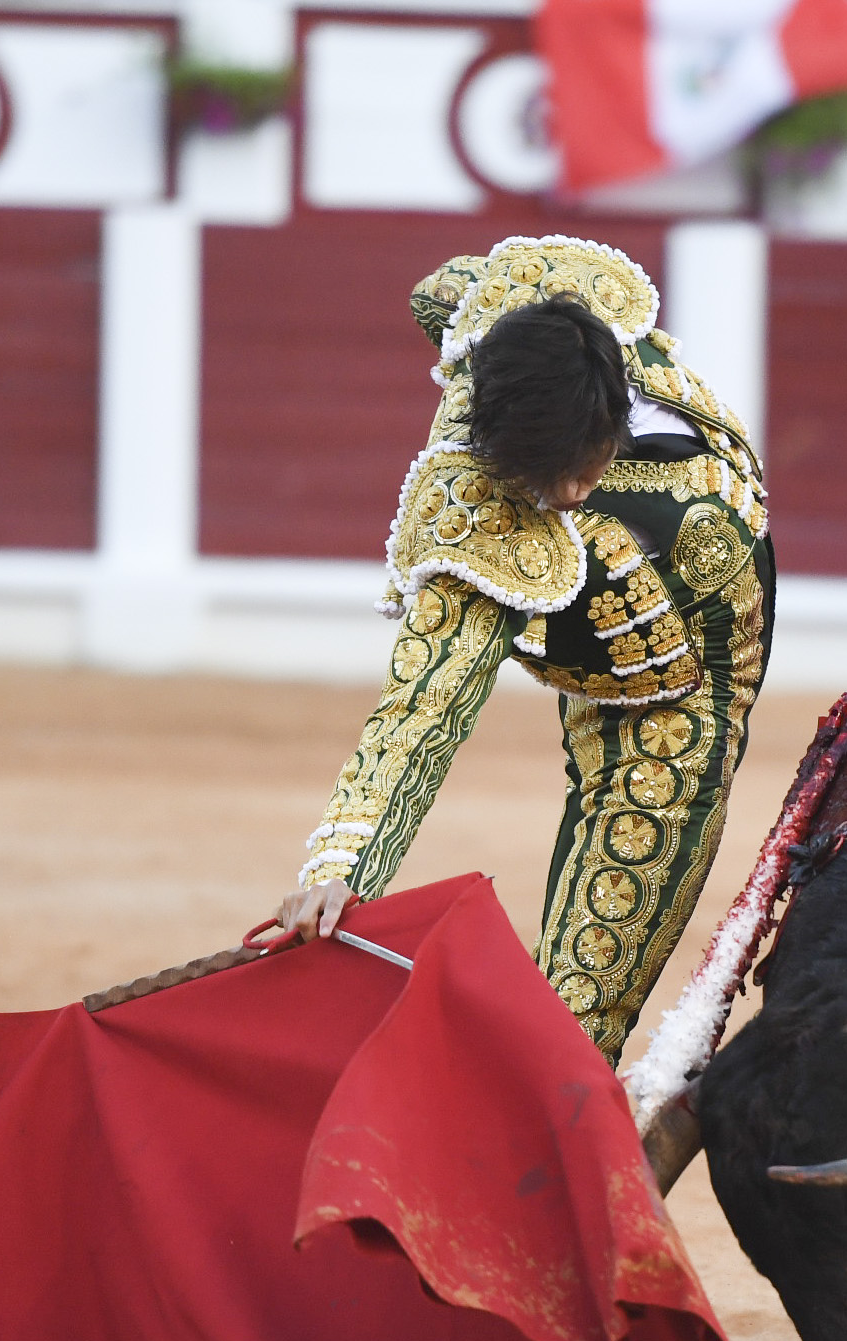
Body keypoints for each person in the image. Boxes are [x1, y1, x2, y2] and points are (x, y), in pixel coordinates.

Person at [275, 235, 773, 1064]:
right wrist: (342, 866)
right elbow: (421, 713)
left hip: (686, 670)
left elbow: (443, 288)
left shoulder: (558, 308)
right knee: (569, 1034)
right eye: (547, 477)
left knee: (570, 1023)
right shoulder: (480, 528)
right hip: (656, 712)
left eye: (582, 464)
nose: (570, 492)